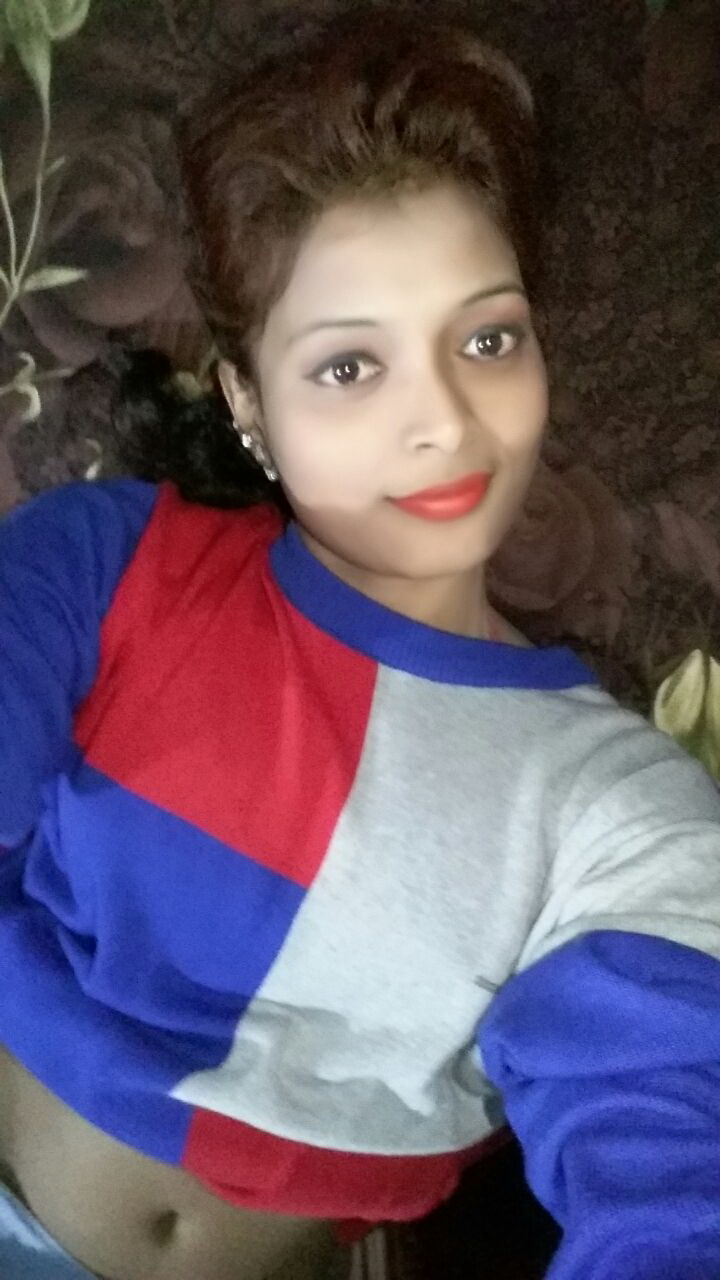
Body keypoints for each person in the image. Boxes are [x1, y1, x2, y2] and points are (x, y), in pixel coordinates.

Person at [1, 7, 719, 1279]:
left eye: (486, 338)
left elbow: (670, 1161)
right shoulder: (112, 564)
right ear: (248, 401)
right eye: (348, 367)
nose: (444, 419)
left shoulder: (622, 807)